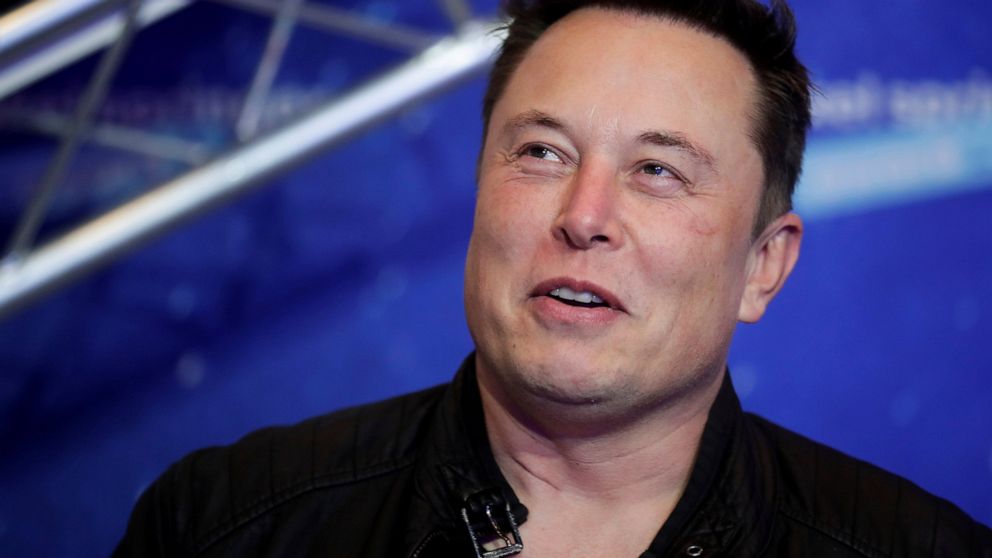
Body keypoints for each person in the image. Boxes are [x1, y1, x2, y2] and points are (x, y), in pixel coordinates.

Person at [115, 1, 992, 556]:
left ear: (763, 267)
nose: (583, 215)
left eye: (657, 171)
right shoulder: (228, 524)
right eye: (541, 153)